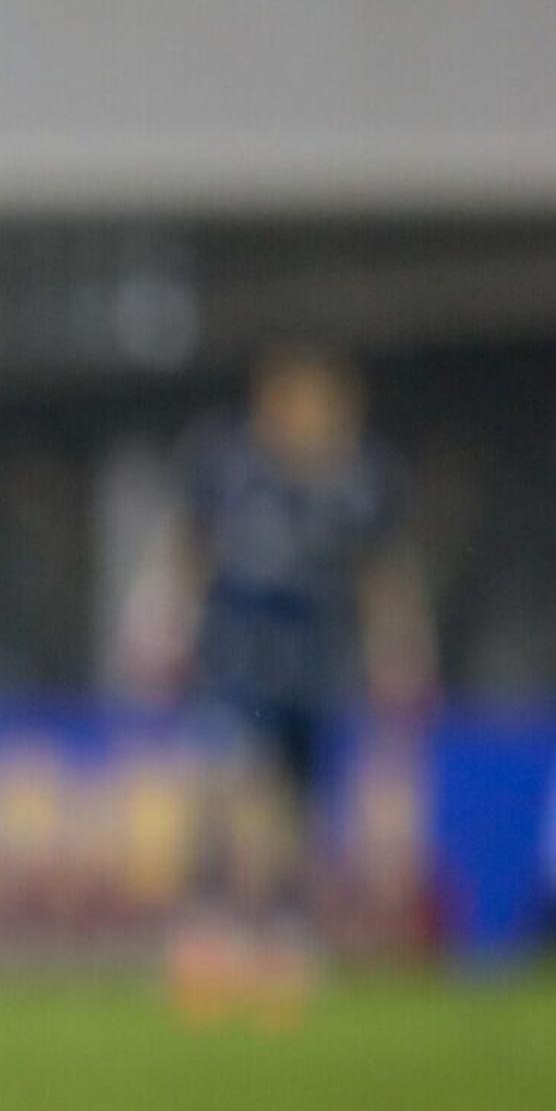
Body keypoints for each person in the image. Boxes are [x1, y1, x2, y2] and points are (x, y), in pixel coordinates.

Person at [150, 344, 431, 1021]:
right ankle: (207, 934)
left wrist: (401, 651)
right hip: (236, 655)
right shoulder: (227, 466)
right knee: (223, 787)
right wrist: (164, 626)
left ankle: (284, 937)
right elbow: (190, 547)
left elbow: (382, 572)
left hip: (315, 662)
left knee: (297, 810)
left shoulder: (363, 480)